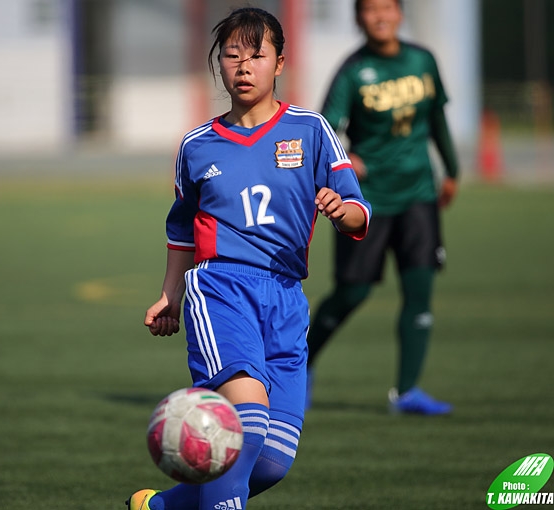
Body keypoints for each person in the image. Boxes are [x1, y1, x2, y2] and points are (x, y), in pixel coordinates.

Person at [126, 7, 371, 510]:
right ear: (218, 63)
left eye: (256, 55)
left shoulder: (311, 130)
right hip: (221, 289)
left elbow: (358, 211)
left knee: (272, 461)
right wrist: (171, 295)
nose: (242, 66)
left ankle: (158, 507)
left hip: (286, 297)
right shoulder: (197, 145)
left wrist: (339, 208)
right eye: (231, 55)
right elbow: (181, 229)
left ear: (279, 63)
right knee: (245, 426)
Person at [305, 0, 459, 415]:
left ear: (400, 13)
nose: (380, 16)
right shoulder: (353, 70)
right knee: (352, 292)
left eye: (387, 7)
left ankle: (407, 392)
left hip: (419, 194)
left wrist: (452, 171)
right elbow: (324, 129)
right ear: (358, 18)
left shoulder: (422, 60)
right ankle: (300, 366)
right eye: (370, 9)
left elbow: (437, 119)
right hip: (368, 201)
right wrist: (345, 159)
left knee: (419, 289)